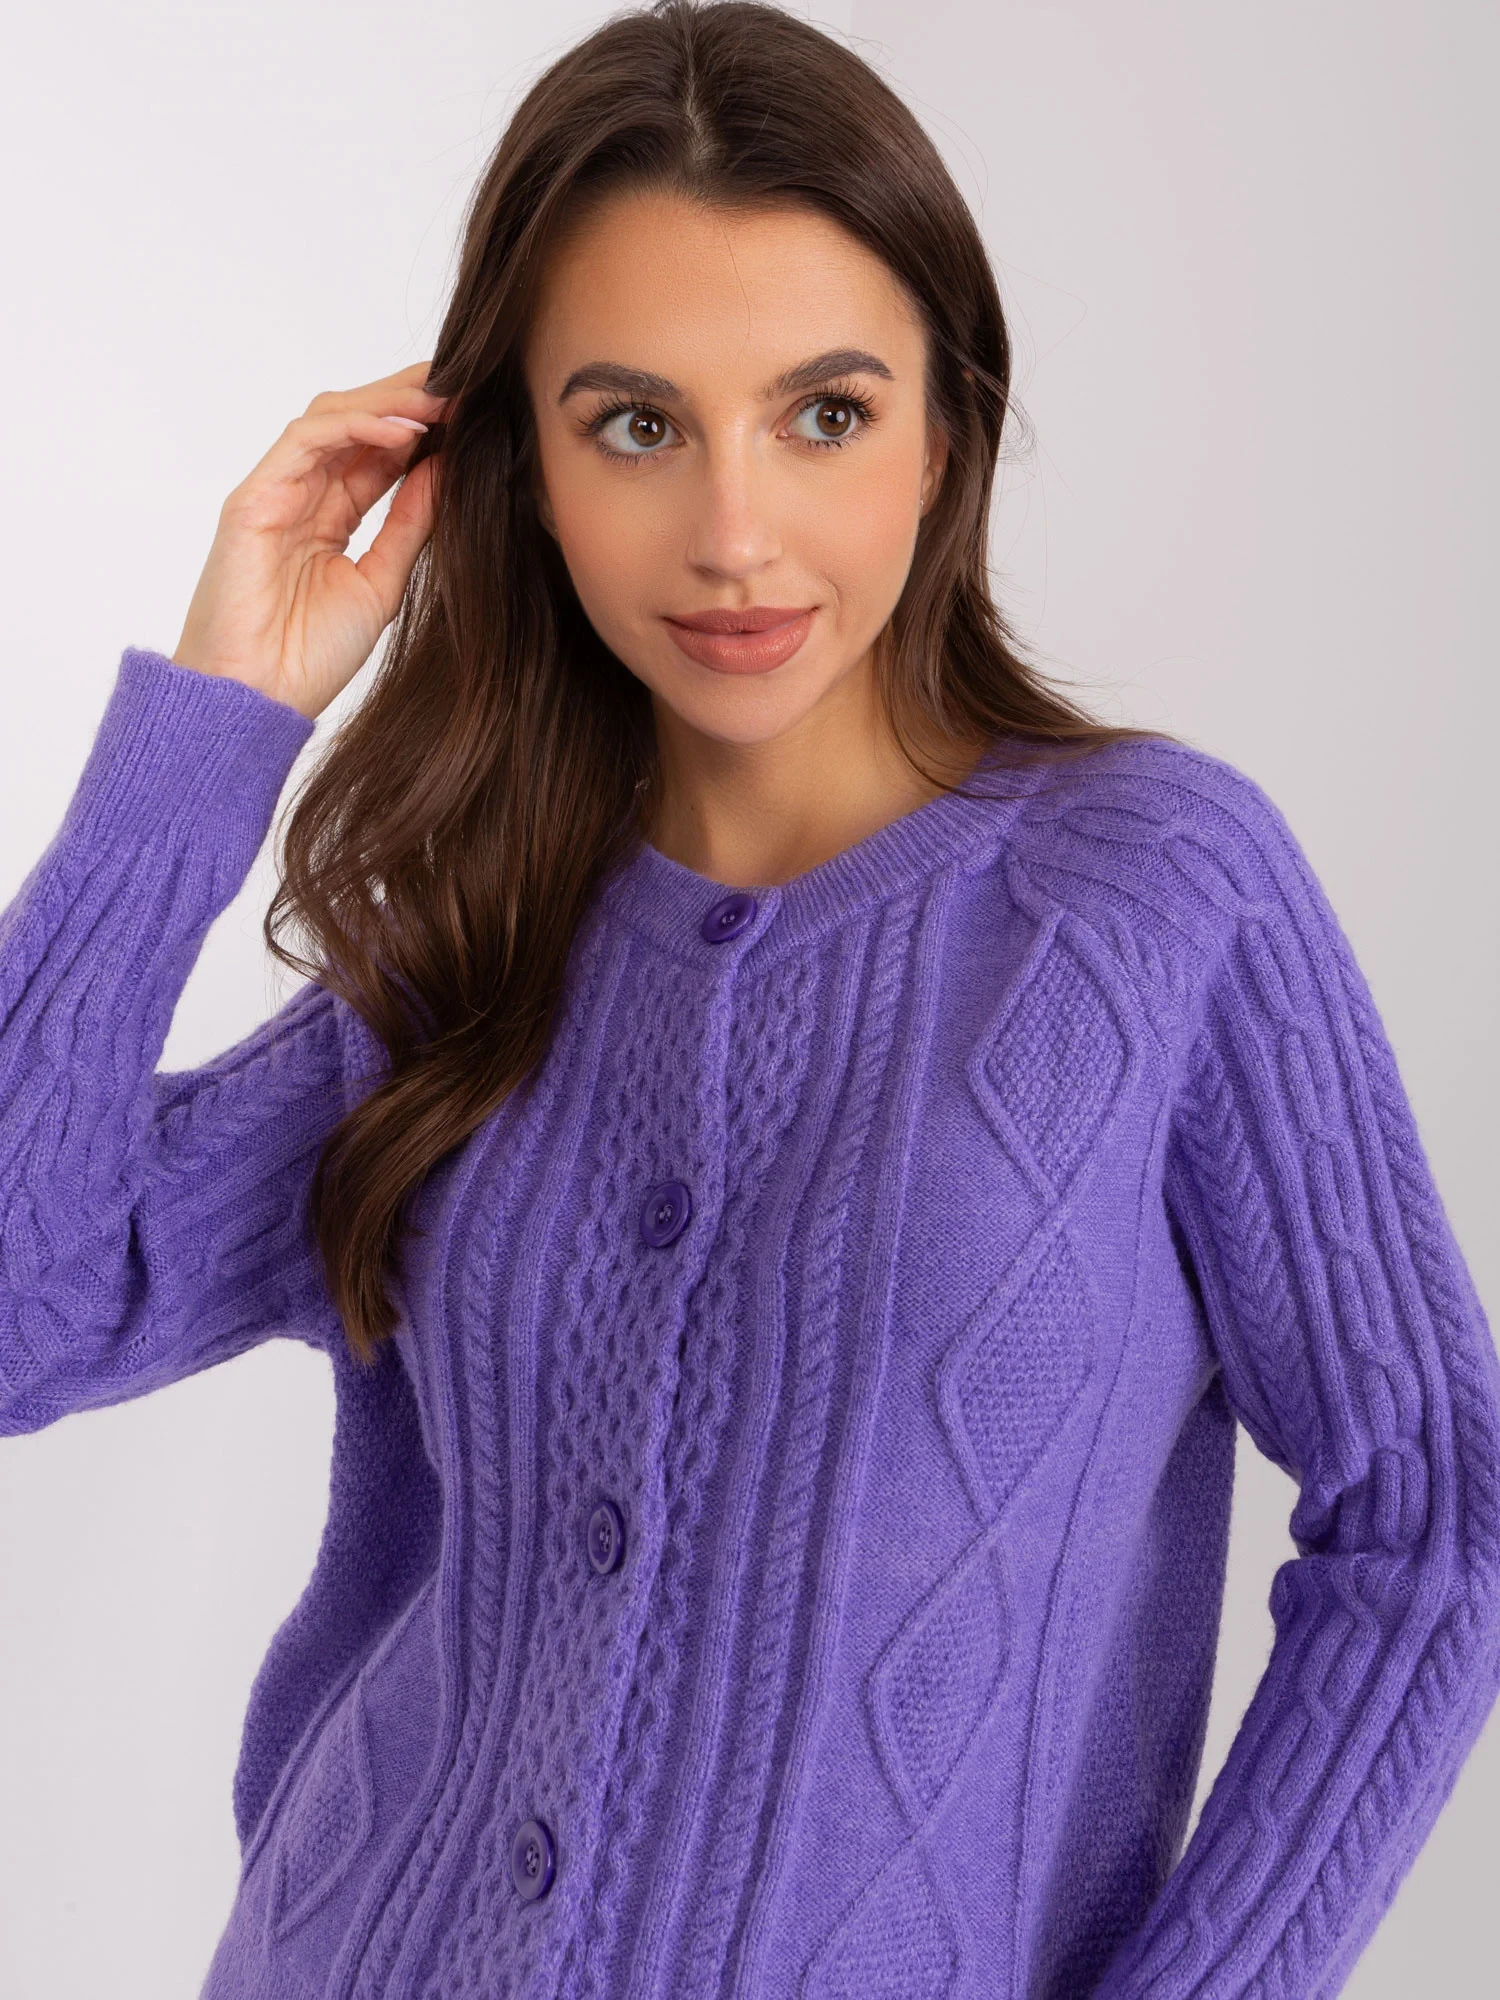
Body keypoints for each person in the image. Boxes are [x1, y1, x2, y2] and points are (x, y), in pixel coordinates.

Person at [2, 1, 1496, 1994]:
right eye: (635, 424)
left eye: (825, 414)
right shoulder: (472, 933)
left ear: (945, 430)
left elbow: (1434, 1524)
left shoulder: (1155, 902)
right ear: (524, 466)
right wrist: (215, 724)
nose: (732, 535)